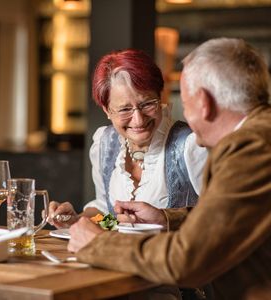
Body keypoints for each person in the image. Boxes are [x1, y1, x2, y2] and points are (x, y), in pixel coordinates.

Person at [68, 38, 271, 299]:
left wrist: (98, 243)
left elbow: (188, 261)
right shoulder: (260, 134)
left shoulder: (250, 147)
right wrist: (167, 218)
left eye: (184, 104)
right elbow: (236, 217)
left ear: (203, 102)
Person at [48, 49, 207, 228]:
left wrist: (167, 218)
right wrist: (79, 221)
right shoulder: (104, 143)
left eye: (147, 104)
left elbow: (221, 215)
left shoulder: (191, 144)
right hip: (119, 255)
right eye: (125, 109)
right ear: (107, 111)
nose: (138, 120)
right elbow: (108, 216)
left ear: (159, 97)